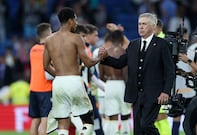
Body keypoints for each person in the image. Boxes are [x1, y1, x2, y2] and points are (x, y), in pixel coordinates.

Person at [99, 12, 175, 135]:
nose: (140, 27)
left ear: (153, 26)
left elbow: (169, 71)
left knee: (146, 124)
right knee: (138, 129)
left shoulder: (162, 44)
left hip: (154, 94)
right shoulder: (133, 44)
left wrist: (166, 91)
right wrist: (105, 58)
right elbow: (120, 63)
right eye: (139, 24)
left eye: (144, 24)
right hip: (136, 94)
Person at [43, 7, 101, 135]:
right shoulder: (76, 38)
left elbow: (46, 66)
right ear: (69, 21)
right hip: (74, 81)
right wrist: (100, 57)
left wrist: (59, 75)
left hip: (58, 83)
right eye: (75, 20)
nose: (77, 23)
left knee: (62, 120)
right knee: (87, 118)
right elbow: (87, 62)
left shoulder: (49, 40)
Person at [99, 30, 131, 135]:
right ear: (122, 40)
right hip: (121, 84)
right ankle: (125, 132)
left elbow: (101, 75)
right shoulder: (125, 52)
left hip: (109, 85)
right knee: (125, 113)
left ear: (111, 40)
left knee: (112, 115)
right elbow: (126, 73)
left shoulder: (105, 53)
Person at [28, 23, 52, 135]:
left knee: (35, 120)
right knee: (45, 119)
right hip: (45, 89)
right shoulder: (48, 49)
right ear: (48, 33)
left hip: (33, 88)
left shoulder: (33, 49)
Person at [153, 19, 171, 135]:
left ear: (159, 28)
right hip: (153, 85)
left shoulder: (165, 41)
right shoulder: (154, 41)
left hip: (162, 85)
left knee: (161, 116)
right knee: (153, 117)